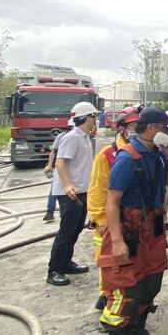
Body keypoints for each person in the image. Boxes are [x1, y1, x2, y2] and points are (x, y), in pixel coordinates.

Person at [98, 107, 168, 335]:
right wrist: (118, 241)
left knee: (150, 283)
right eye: (166, 128)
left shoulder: (155, 153)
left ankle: (138, 334)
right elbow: (112, 202)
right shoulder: (127, 158)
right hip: (131, 230)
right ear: (153, 128)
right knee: (127, 288)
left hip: (152, 226)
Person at [87, 106, 141, 310]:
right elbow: (97, 190)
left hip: (134, 221)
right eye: (133, 126)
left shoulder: (144, 151)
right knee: (110, 264)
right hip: (110, 221)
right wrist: (101, 221)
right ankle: (107, 297)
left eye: (139, 126)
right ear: (122, 128)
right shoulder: (108, 154)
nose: (136, 130)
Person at [46, 101, 99, 287]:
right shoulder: (72, 137)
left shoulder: (84, 137)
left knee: (75, 229)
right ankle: (54, 270)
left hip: (83, 190)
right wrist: (67, 185)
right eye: (94, 116)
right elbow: (60, 162)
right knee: (66, 231)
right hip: (70, 192)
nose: (96, 120)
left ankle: (66, 263)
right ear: (87, 117)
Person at [43, 125, 71, 222]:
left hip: (70, 168)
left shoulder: (81, 137)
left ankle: (52, 212)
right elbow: (54, 152)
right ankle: (50, 212)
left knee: (56, 189)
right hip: (60, 167)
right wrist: (50, 165)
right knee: (56, 188)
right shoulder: (62, 136)